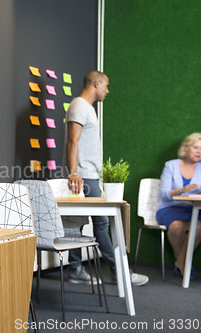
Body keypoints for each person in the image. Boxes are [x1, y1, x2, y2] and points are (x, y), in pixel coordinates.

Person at [66, 70, 149, 286]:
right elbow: (72, 141)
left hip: (89, 175)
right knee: (101, 224)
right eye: (106, 86)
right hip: (84, 176)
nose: (107, 91)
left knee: (80, 225)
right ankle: (119, 272)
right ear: (96, 84)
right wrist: (74, 172)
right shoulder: (79, 106)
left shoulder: (87, 109)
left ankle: (75, 268)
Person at [156, 132, 201, 279]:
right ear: (186, 148)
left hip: (195, 209)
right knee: (176, 227)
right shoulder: (171, 165)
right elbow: (164, 194)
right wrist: (181, 190)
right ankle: (184, 263)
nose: (199, 152)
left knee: (199, 226)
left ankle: (180, 263)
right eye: (196, 147)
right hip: (170, 208)